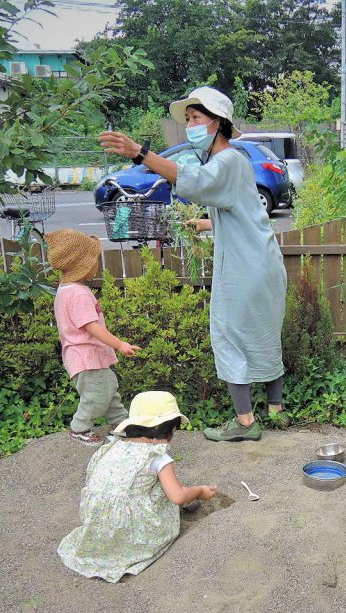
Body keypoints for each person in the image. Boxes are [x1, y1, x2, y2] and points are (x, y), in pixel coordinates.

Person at [99, 86, 289, 443]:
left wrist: (141, 153)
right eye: (187, 119)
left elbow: (195, 182)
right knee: (264, 332)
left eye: (196, 118)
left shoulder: (226, 161)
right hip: (262, 262)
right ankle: (275, 410)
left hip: (244, 268)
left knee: (229, 336)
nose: (190, 125)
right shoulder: (236, 162)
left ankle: (245, 423)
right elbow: (245, 212)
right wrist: (208, 223)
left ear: (218, 123)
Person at [58, 391, 217, 583]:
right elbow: (178, 496)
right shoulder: (158, 458)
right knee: (165, 488)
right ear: (161, 427)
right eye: (172, 430)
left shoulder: (112, 447)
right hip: (130, 525)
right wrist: (200, 491)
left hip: (97, 518)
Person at [47, 229, 141, 446]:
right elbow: (91, 327)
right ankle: (79, 428)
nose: (97, 264)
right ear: (82, 264)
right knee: (97, 395)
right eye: (94, 260)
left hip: (89, 355)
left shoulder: (68, 289)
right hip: (85, 356)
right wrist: (119, 344)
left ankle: (121, 422)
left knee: (109, 389)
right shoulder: (78, 294)